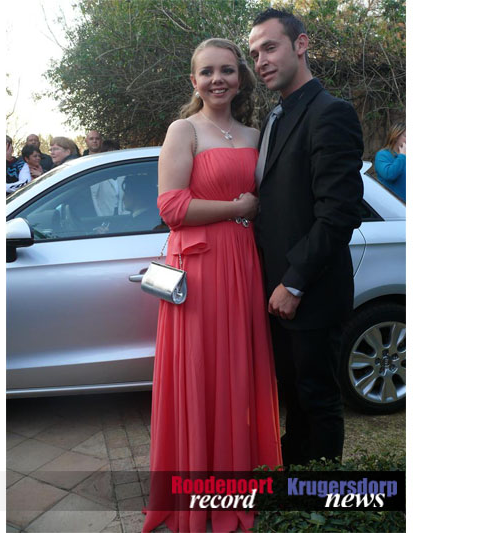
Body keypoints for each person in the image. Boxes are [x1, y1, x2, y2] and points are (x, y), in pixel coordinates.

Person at [143, 38, 282, 533]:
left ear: (240, 78)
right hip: (199, 272)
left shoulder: (256, 134)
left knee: (238, 375)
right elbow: (171, 207)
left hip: (243, 265)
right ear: (194, 81)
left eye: (227, 70)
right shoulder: (184, 130)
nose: (217, 79)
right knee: (202, 373)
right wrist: (237, 208)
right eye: (207, 72)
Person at [249, 8, 365, 467]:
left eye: (270, 47)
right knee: (294, 401)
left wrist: (294, 283)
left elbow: (339, 213)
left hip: (310, 293)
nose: (261, 61)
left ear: (301, 44)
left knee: (317, 400)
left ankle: (321, 498)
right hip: (275, 290)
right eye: (255, 53)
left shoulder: (330, 113)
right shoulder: (275, 117)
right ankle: (296, 489)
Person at [374, 122, 406, 202]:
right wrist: (402, 156)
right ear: (396, 136)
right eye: (406, 136)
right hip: (392, 205)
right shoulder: (382, 155)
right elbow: (389, 175)